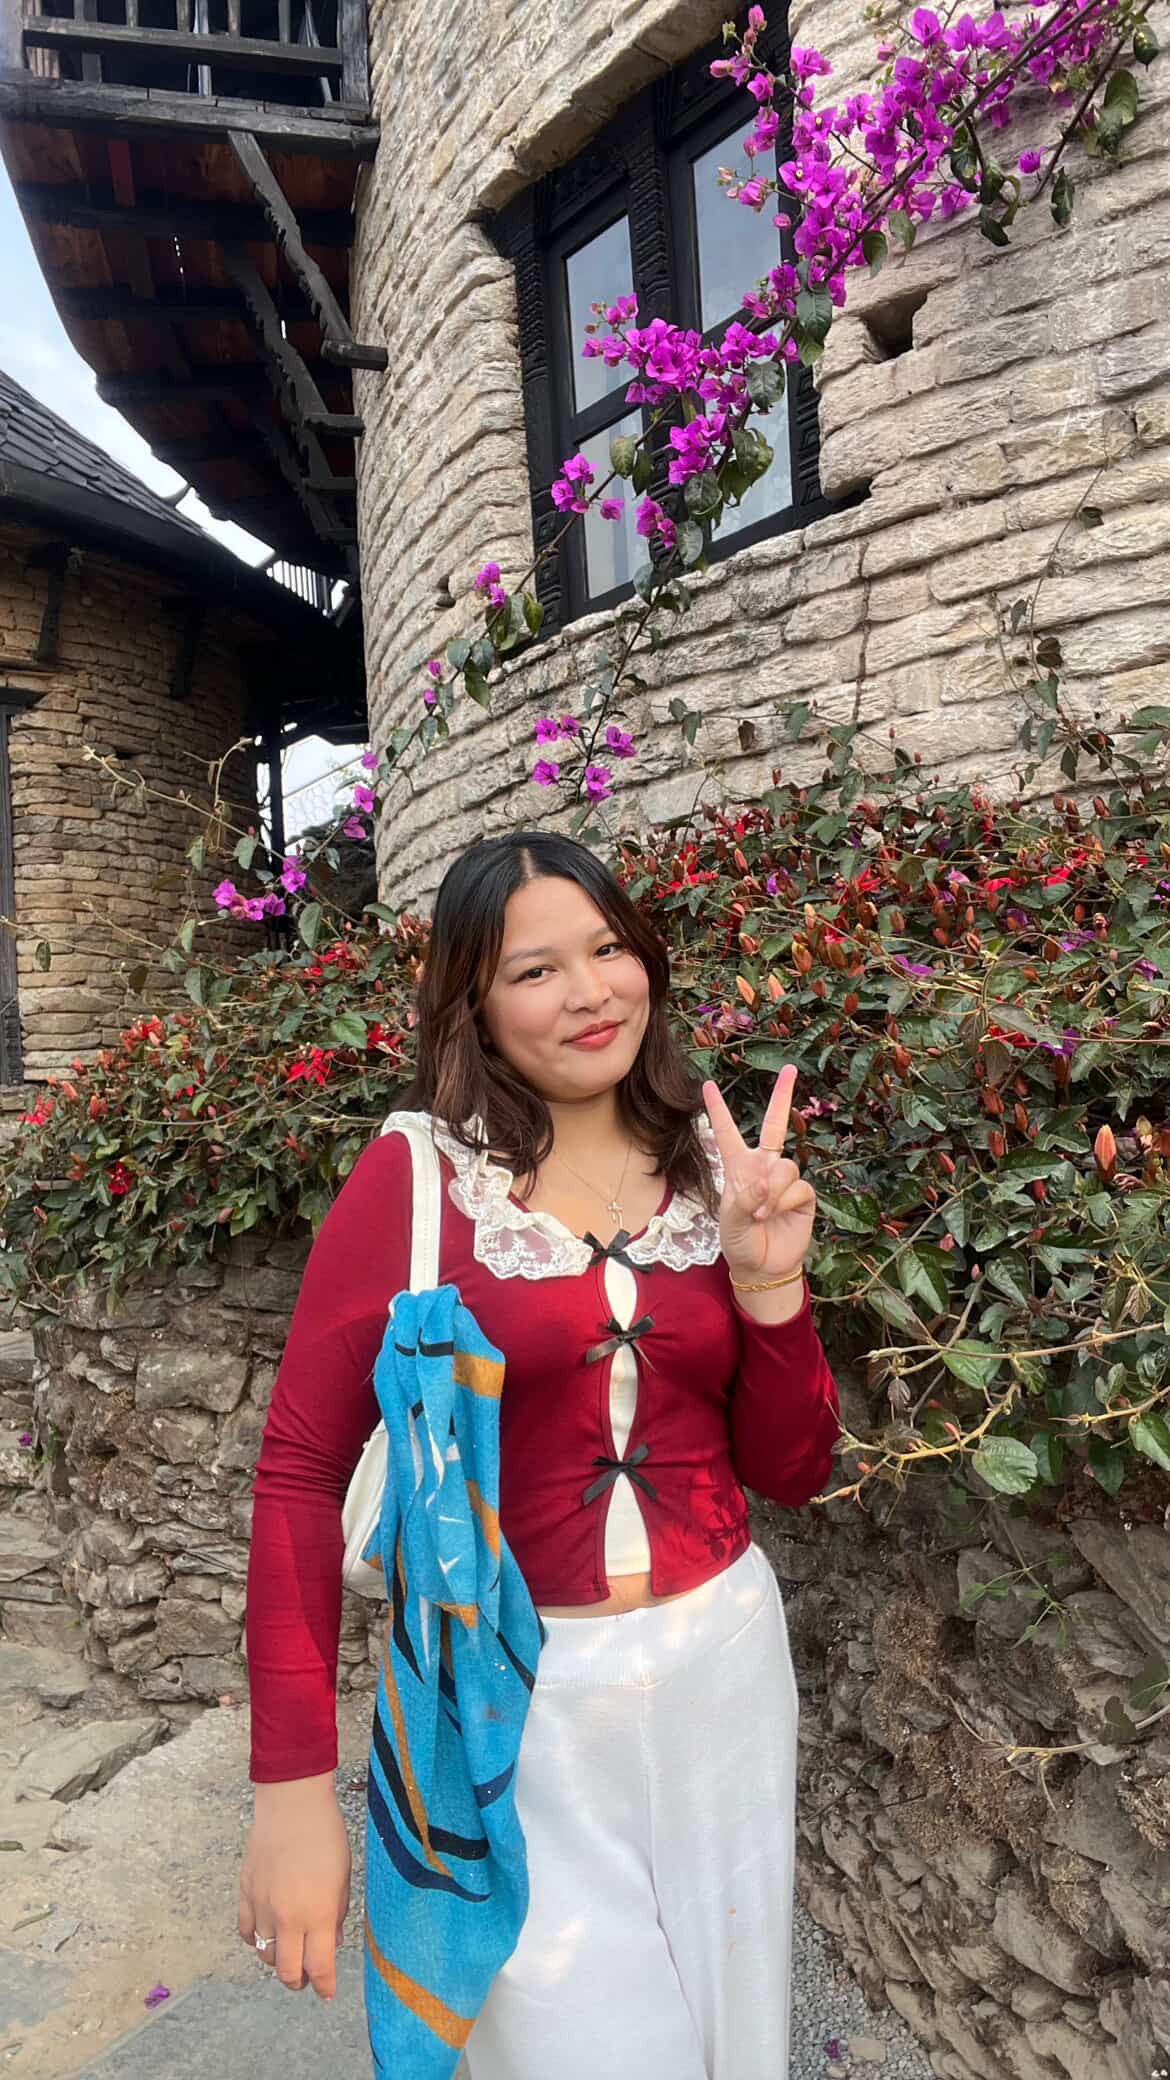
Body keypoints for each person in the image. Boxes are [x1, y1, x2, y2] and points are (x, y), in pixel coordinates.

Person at [238, 828, 840, 2080]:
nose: (590, 992)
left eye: (610, 949)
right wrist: (292, 1789)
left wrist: (770, 1287)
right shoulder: (417, 1181)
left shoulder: (710, 1172)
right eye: (535, 969)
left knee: (739, 2046)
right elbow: (298, 1469)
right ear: (473, 1004)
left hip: (726, 1674)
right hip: (517, 1706)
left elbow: (793, 1471)